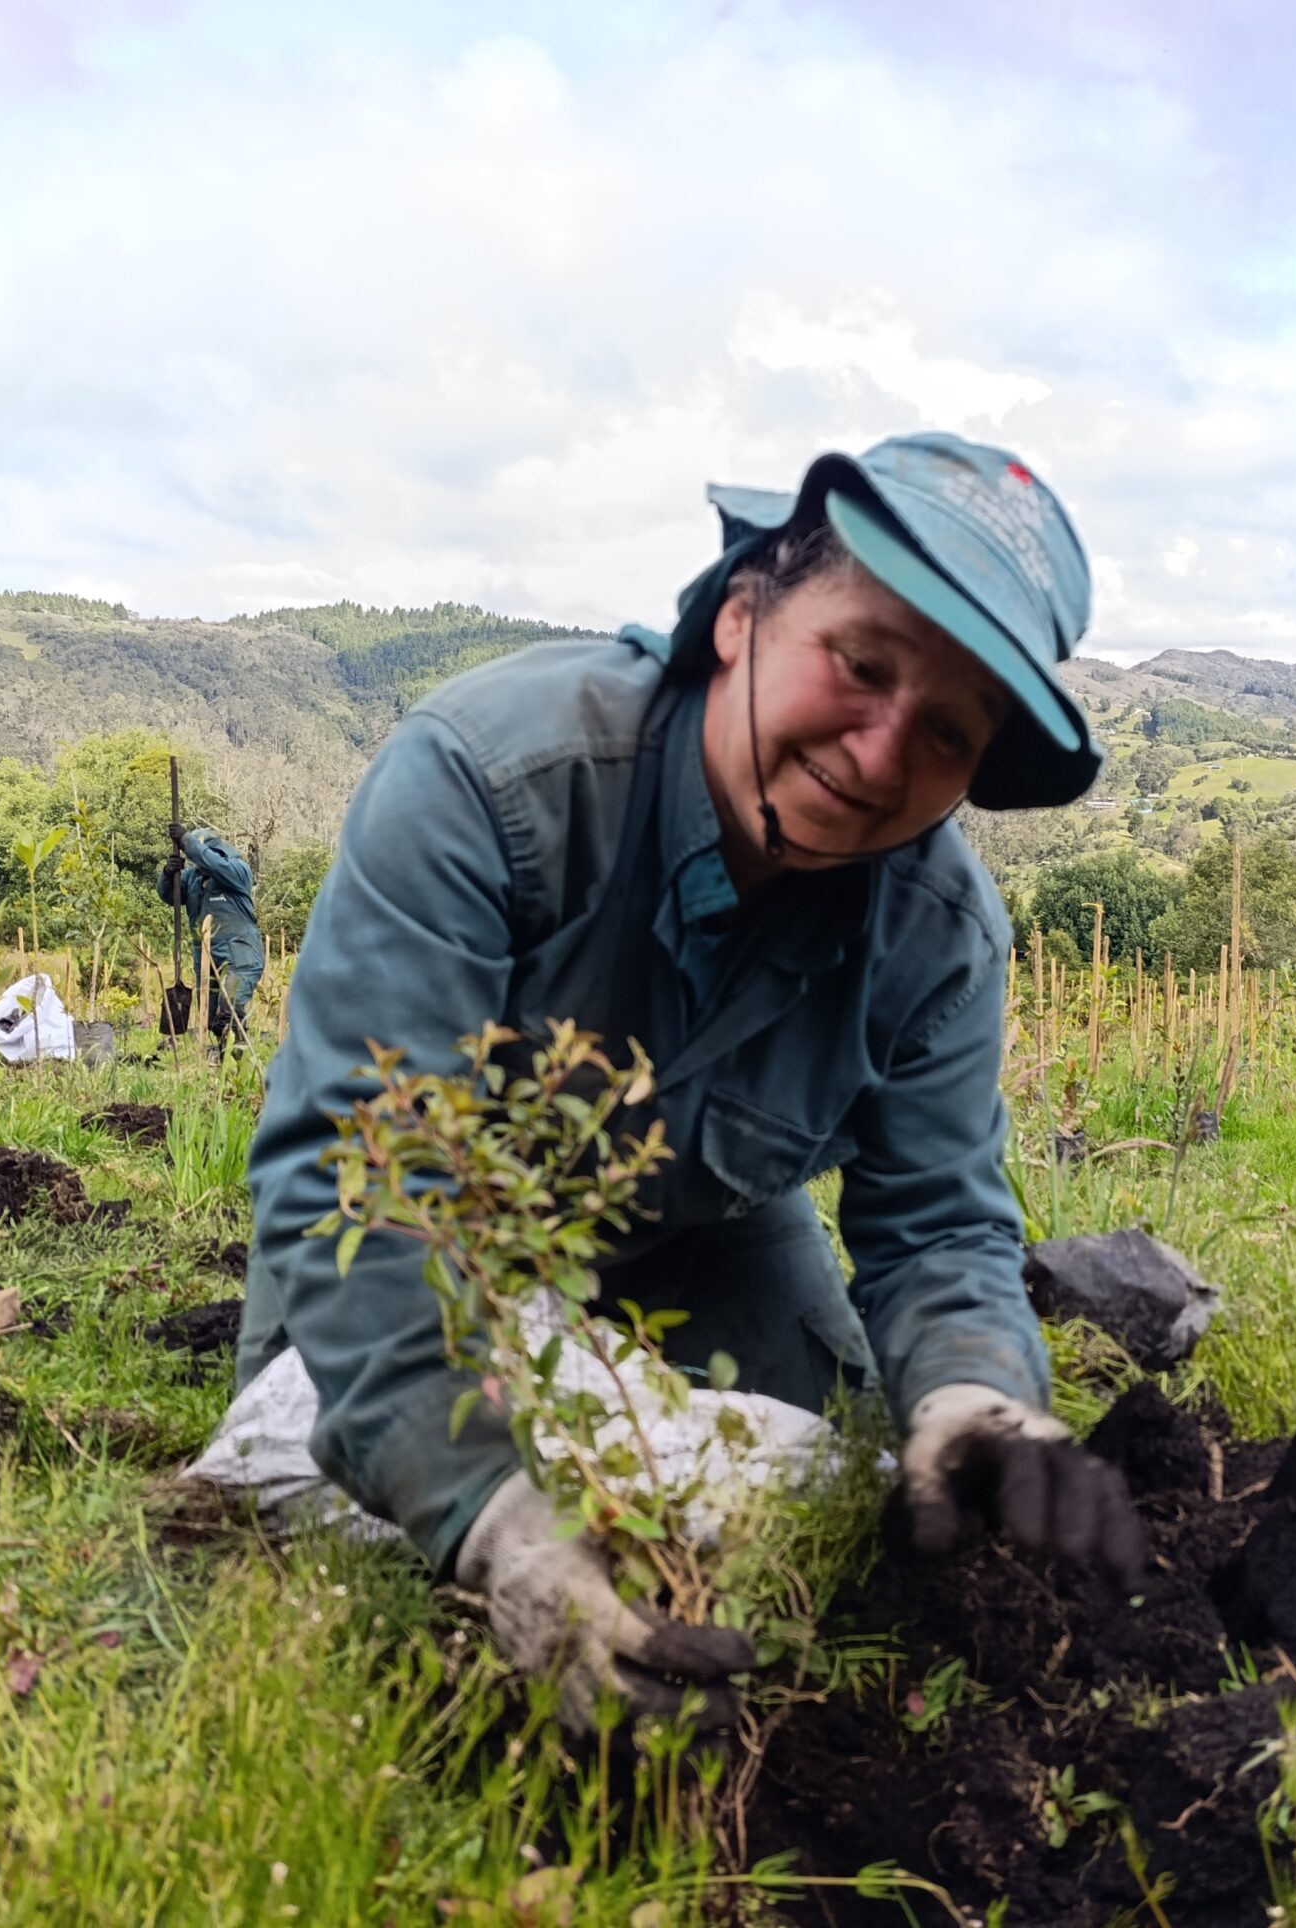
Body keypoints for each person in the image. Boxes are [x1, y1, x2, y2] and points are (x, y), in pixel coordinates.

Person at [244, 432, 1146, 1735]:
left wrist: (978, 1401)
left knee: (845, 1492)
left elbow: (939, 1224)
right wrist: (498, 1528)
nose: (884, 755)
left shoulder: (941, 937)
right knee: (361, 1487)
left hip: (700, 1234)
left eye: (946, 731)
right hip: (431, 1241)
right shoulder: (489, 784)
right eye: (860, 664)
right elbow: (359, 1173)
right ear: (740, 618)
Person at [157, 827, 263, 1041]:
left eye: (203, 857)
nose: (201, 865)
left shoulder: (237, 871)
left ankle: (235, 1065)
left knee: (229, 1013)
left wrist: (186, 841)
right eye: (197, 861)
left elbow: (213, 863)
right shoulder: (193, 879)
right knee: (212, 1021)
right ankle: (224, 1064)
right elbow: (170, 896)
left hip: (240, 957)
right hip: (207, 960)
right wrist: (169, 873)